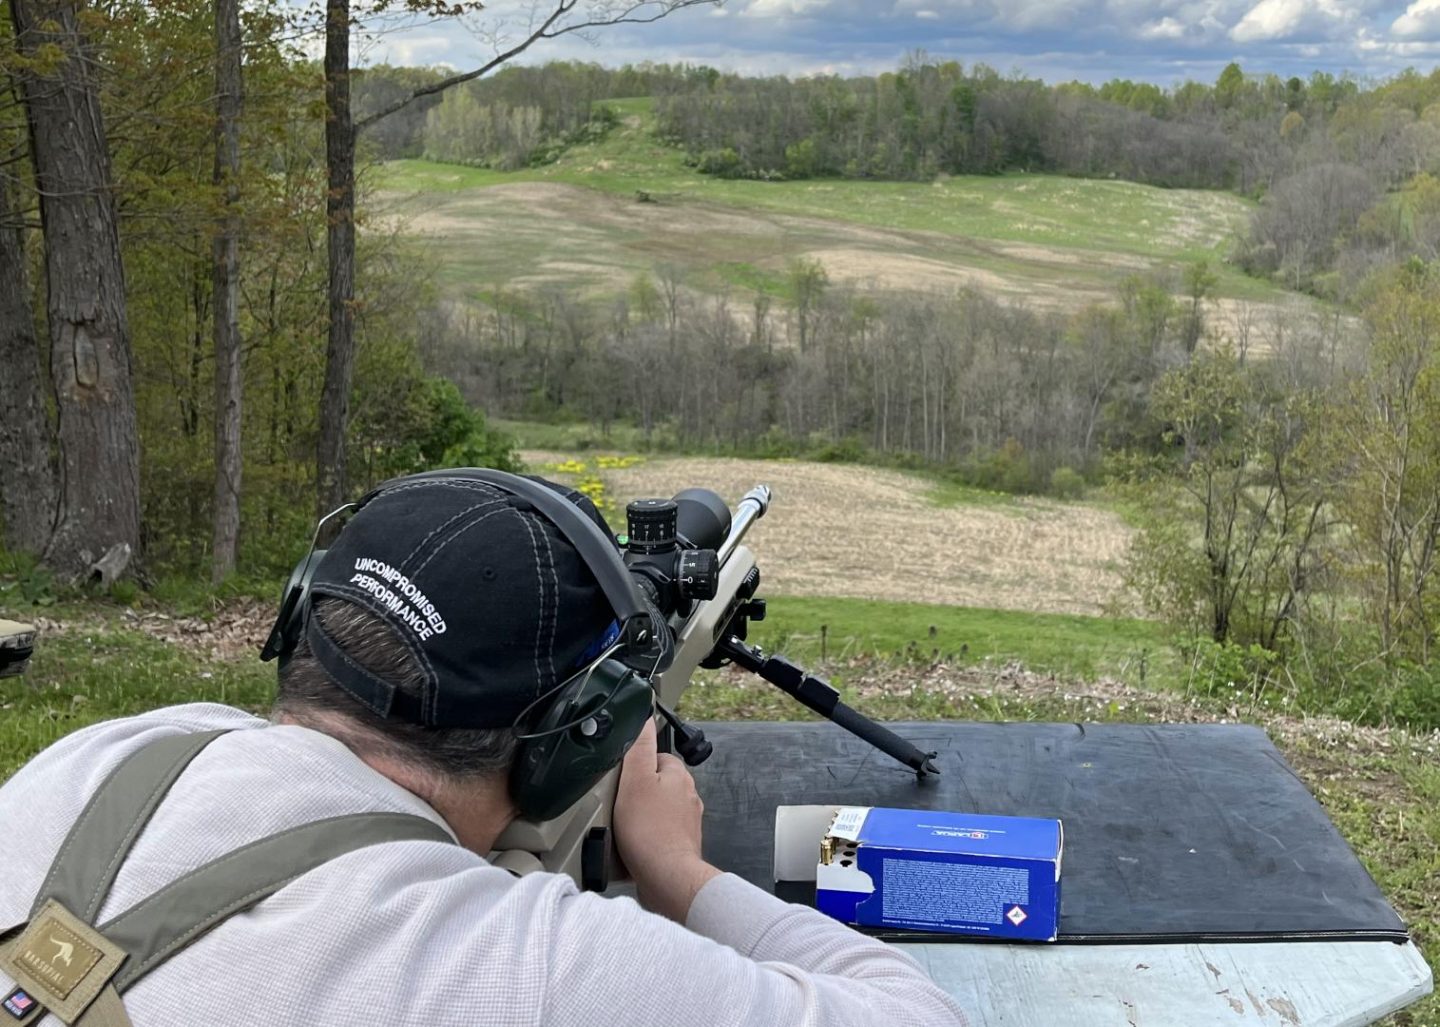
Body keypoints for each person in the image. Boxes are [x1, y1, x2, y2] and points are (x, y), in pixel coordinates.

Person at [0, 473, 968, 1026]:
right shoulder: (525, 964)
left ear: (302, 618)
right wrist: (678, 871)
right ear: (578, 734)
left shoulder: (115, 751)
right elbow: (921, 1015)